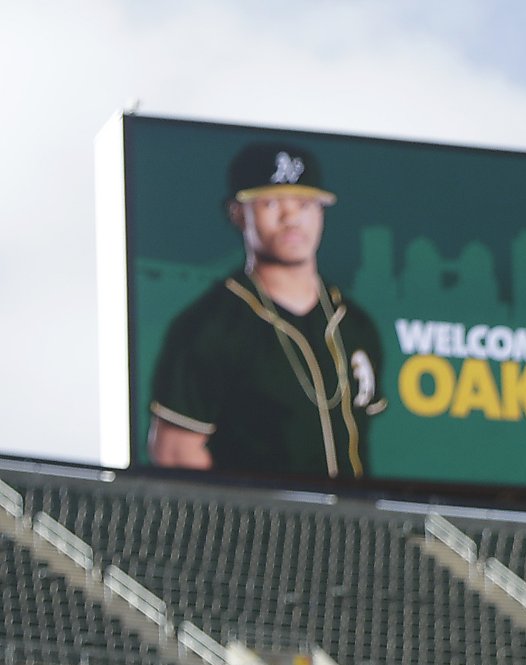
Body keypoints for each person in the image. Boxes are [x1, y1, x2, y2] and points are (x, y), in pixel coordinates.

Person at [147, 141, 384, 480]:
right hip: (261, 529)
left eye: (303, 203)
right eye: (271, 202)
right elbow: (175, 453)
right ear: (237, 213)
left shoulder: (354, 323)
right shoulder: (208, 326)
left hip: (351, 528)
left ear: (321, 212)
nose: (291, 218)